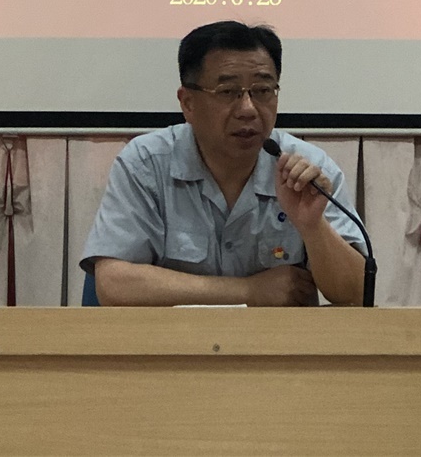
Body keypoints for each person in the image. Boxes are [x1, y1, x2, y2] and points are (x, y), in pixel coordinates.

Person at [81, 21, 367, 306]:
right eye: (228, 92)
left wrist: (313, 227)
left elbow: (358, 292)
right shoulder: (146, 163)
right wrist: (248, 291)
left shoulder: (307, 170)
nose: (248, 109)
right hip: (175, 336)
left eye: (263, 90)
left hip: (277, 337)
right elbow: (113, 284)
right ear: (188, 103)